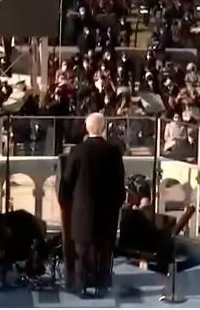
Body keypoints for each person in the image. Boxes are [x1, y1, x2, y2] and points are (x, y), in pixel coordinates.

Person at [58, 113, 126, 298]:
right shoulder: (113, 152)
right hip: (107, 212)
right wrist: (116, 205)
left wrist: (65, 204)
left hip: (82, 211)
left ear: (87, 129)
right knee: (103, 249)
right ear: (104, 128)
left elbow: (66, 182)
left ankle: (81, 286)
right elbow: (120, 184)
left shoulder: (78, 151)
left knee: (82, 249)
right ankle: (101, 284)